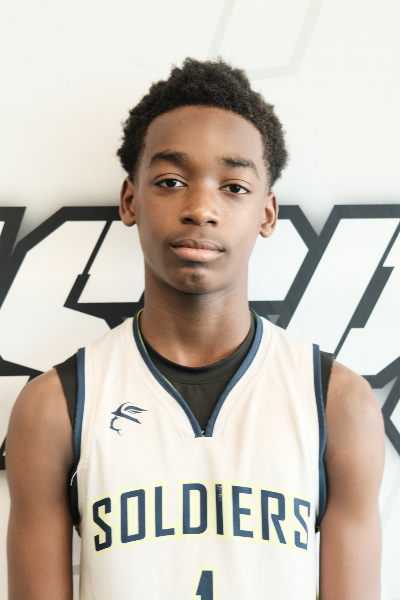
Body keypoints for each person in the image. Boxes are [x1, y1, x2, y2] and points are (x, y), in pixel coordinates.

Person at [6, 58, 384, 600]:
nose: (202, 208)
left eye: (234, 186)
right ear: (131, 200)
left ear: (267, 214)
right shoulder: (55, 407)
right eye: (171, 181)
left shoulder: (338, 402)